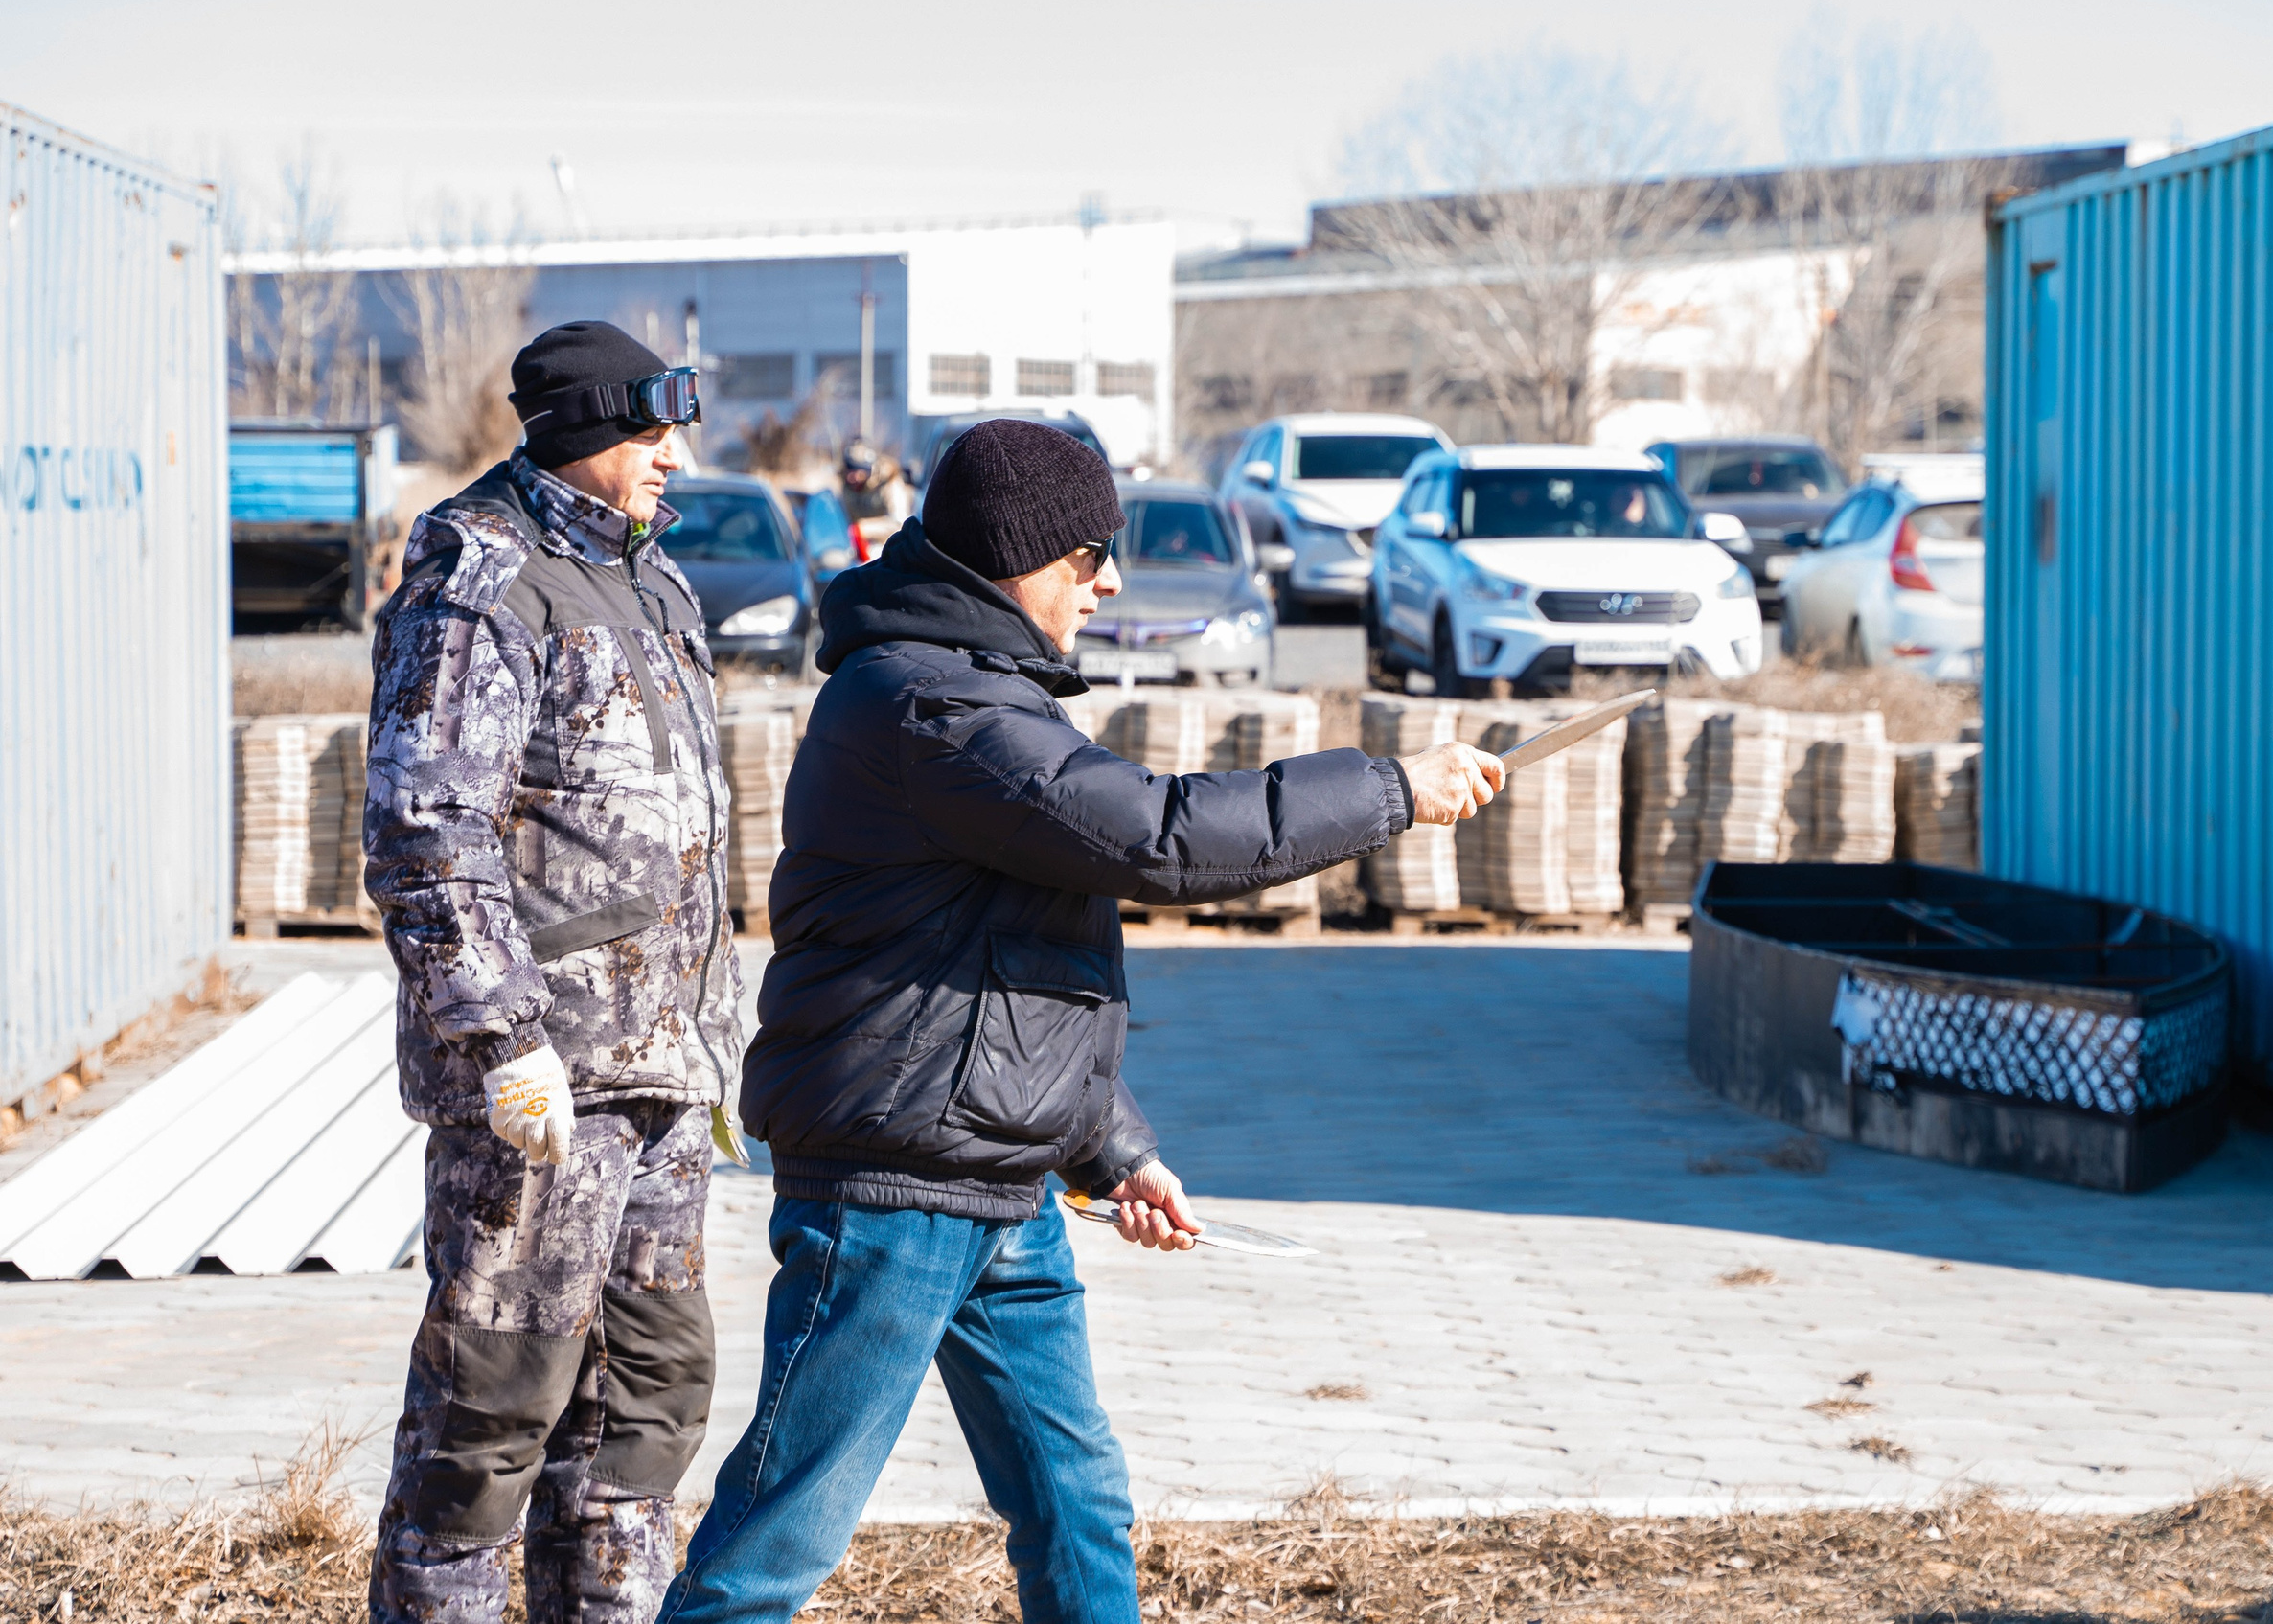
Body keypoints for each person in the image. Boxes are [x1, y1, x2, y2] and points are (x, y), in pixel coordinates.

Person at [658, 419, 1504, 1623]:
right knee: (779, 1539)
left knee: (1076, 1502)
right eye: (1087, 556)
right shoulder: (931, 708)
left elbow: (1017, 965)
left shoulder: (987, 695)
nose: (1107, 583)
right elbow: (1156, 835)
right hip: (895, 1194)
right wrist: (1388, 789)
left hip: (998, 1181)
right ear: (1015, 558)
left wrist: (1115, 1152)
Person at [362, 320, 744, 1623]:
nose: (673, 455)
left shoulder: (652, 580)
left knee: (640, 1421)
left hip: (665, 1079)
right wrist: (500, 1036)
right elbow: (427, 826)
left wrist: (714, 1038)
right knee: (487, 1427)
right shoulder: (484, 579)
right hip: (545, 1092)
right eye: (650, 431)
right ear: (583, 432)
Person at [837, 437, 911, 555]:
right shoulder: (845, 485)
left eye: (857, 471)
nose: (852, 477)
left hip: (888, 551)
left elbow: (900, 524)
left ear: (868, 469)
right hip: (854, 550)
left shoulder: (889, 483)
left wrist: (863, 529)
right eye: (849, 470)